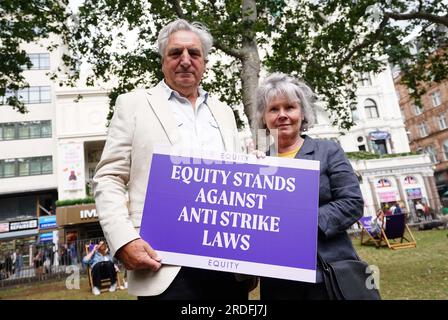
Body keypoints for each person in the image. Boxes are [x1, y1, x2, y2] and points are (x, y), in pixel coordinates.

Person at [93, 19, 253, 300]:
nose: (185, 60)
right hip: (164, 267)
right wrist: (123, 239)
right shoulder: (133, 105)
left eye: (194, 53)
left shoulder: (225, 111)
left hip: (228, 269)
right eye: (176, 53)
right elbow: (109, 177)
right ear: (163, 61)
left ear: (204, 62)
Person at [255, 72, 365, 300]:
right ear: (264, 117)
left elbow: (352, 203)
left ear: (302, 112)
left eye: (290, 107)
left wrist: (302, 222)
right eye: (274, 109)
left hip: (327, 275)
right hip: (278, 280)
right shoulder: (258, 162)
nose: (282, 115)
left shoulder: (328, 151)